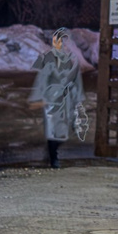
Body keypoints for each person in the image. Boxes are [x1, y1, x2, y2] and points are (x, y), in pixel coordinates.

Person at [28, 27, 85, 167]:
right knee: (53, 130)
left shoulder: (71, 60)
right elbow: (42, 79)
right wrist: (38, 97)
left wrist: (78, 98)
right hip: (52, 100)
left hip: (67, 100)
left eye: (65, 43)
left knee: (64, 131)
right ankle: (54, 157)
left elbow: (77, 80)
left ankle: (52, 151)